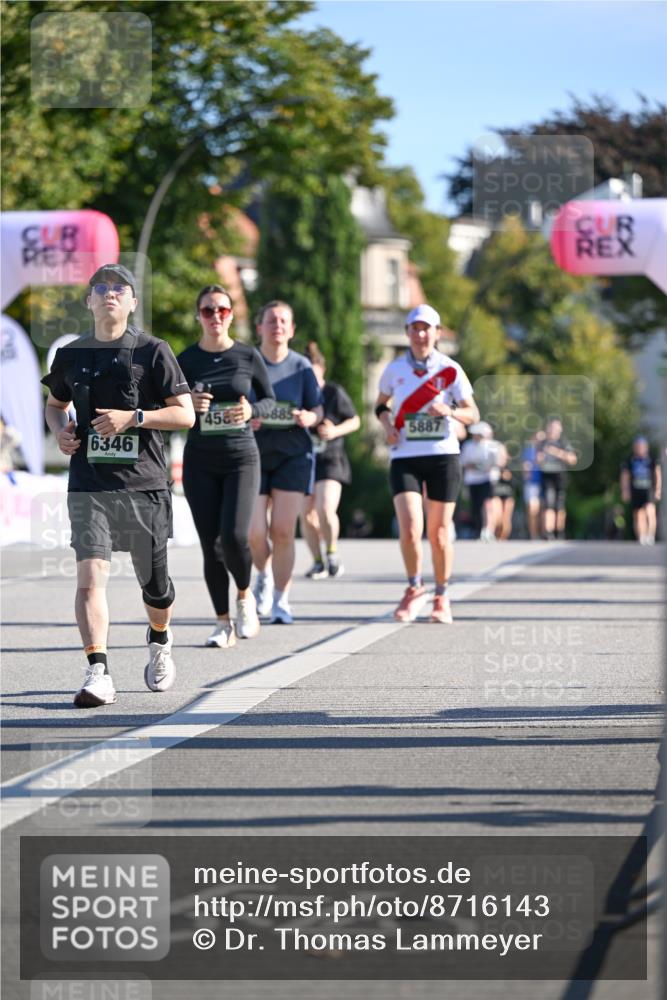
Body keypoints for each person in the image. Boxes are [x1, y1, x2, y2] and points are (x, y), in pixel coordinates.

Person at [41, 263, 195, 708]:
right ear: (89, 300)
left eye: (119, 288)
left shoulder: (153, 351)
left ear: (131, 302)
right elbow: (56, 403)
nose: (109, 294)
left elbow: (185, 414)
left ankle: (160, 638)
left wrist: (135, 418)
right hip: (89, 484)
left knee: (156, 588)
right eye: (100, 288)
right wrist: (59, 429)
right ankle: (98, 670)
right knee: (90, 579)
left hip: (144, 485)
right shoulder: (71, 355)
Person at [176, 285, 276, 647]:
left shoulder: (248, 355)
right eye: (207, 311)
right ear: (198, 316)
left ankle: (245, 596)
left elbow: (268, 400)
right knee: (211, 544)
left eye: (222, 310)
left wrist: (251, 410)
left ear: (231, 315)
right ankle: (222, 623)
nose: (215, 316)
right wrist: (190, 405)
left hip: (241, 457)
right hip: (200, 460)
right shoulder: (184, 360)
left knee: (235, 536)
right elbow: (169, 405)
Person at [375, 304, 479, 623]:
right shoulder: (394, 370)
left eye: (426, 328)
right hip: (404, 456)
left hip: (442, 456)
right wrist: (388, 426)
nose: (420, 334)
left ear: (437, 332)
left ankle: (442, 595)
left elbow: (472, 414)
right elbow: (380, 406)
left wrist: (449, 412)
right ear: (407, 332)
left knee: (439, 533)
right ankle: (413, 587)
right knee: (409, 528)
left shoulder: (450, 370)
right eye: (415, 328)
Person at [249, 301, 323, 623]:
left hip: (293, 454)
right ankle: (262, 574)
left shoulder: (302, 367)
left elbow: (318, 409)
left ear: (291, 330)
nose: (277, 325)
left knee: (281, 530)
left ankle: (281, 600)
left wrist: (309, 416)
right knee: (253, 532)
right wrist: (247, 416)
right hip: (252, 453)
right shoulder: (248, 361)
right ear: (260, 327)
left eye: (283, 321)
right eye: (271, 320)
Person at [300, 342, 360, 579]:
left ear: (322, 370)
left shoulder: (334, 393)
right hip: (304, 459)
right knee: (306, 515)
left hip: (331, 459)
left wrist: (335, 431)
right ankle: (317, 561)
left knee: (325, 509)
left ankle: (332, 553)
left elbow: (355, 420)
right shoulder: (299, 395)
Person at [536, 417, 577, 540]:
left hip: (559, 476)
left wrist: (557, 453)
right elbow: (537, 459)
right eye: (552, 428)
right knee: (548, 504)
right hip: (546, 476)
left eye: (556, 428)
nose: (554, 431)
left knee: (559, 506)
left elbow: (572, 459)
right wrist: (541, 458)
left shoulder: (563, 442)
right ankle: (548, 532)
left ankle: (559, 531)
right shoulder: (543, 443)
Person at [460, 422, 500, 541]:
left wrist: (482, 466)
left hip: (487, 480)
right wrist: (475, 466)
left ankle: (488, 529)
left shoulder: (492, 445)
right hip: (472, 481)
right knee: (475, 506)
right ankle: (477, 530)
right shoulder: (468, 445)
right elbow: (464, 462)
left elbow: (495, 462)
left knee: (487, 505)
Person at [621, 436, 662, 544]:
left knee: (650, 511)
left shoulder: (651, 459)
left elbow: (657, 474)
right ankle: (642, 536)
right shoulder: (630, 459)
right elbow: (625, 476)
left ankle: (650, 536)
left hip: (649, 489)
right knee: (638, 514)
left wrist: (658, 489)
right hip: (636, 490)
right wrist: (625, 490)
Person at [521, 430, 544, 540]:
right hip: (532, 484)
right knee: (533, 509)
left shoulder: (547, 451)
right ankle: (533, 534)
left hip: (545, 484)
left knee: (543, 510)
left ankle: (543, 533)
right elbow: (526, 466)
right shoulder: (529, 451)